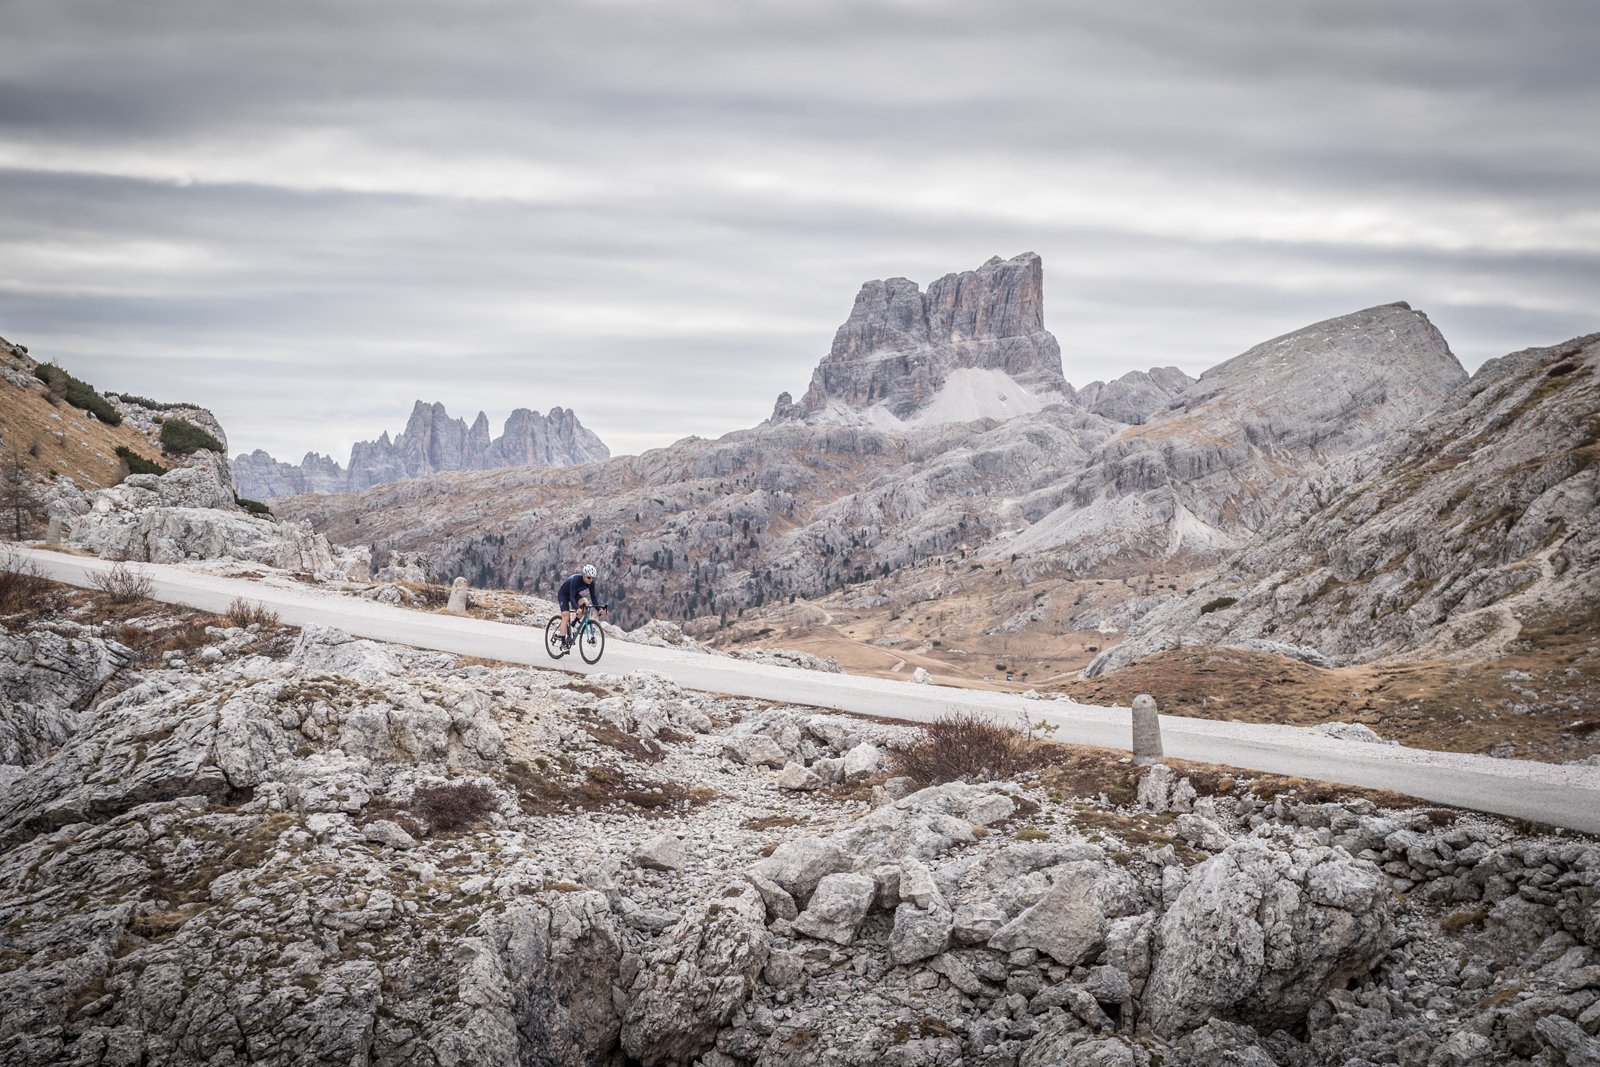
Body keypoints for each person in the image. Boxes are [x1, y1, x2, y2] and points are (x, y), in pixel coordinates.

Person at [557, 564, 605, 648]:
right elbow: (571, 598)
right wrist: (577, 608)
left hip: (574, 594)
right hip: (564, 595)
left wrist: (599, 609)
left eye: (593, 578)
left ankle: (573, 624)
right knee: (566, 616)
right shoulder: (576, 580)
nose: (591, 580)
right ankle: (563, 642)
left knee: (586, 603)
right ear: (584, 576)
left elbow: (593, 597)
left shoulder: (591, 583)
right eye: (589, 577)